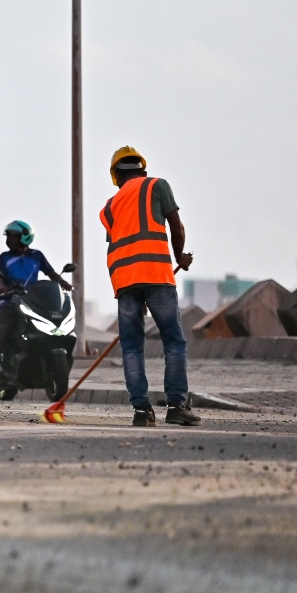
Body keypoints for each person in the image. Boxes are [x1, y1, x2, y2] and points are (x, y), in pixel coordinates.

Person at [102, 146, 198, 427]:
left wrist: (128, 286)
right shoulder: (157, 185)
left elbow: (114, 246)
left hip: (124, 281)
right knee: (173, 341)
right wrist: (180, 256)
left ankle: (142, 411)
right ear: (142, 169)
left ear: (116, 176)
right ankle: (177, 405)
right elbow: (176, 226)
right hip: (156, 274)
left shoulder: (109, 206)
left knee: (132, 347)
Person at [0, 220, 72, 400]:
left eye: (13, 236)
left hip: (33, 301)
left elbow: (51, 273)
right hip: (9, 303)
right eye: (8, 237)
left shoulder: (37, 256)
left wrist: (62, 282)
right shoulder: (4, 258)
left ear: (24, 237)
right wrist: (2, 288)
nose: (9, 240)